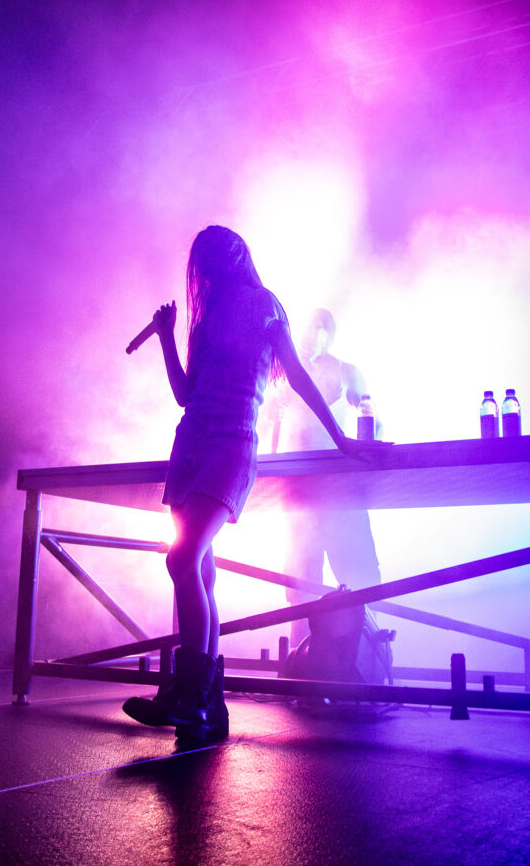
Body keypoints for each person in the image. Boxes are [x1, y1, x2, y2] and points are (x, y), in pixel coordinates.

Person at [122, 227, 377, 743]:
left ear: (234, 258)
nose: (209, 272)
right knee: (201, 571)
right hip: (191, 441)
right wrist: (169, 337)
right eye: (204, 265)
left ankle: (190, 693)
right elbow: (184, 393)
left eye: (214, 261)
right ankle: (207, 704)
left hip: (232, 443)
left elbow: (300, 378)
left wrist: (343, 440)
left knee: (182, 559)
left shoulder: (264, 305)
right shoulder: (207, 314)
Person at [269, 308, 382, 650]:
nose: (308, 337)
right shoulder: (285, 381)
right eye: (304, 329)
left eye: (317, 329)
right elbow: (271, 435)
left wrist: (362, 462)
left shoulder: (347, 373)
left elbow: (373, 421)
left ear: (328, 335)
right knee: (301, 586)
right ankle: (298, 669)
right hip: (299, 491)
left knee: (360, 581)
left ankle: (371, 663)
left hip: (341, 490)